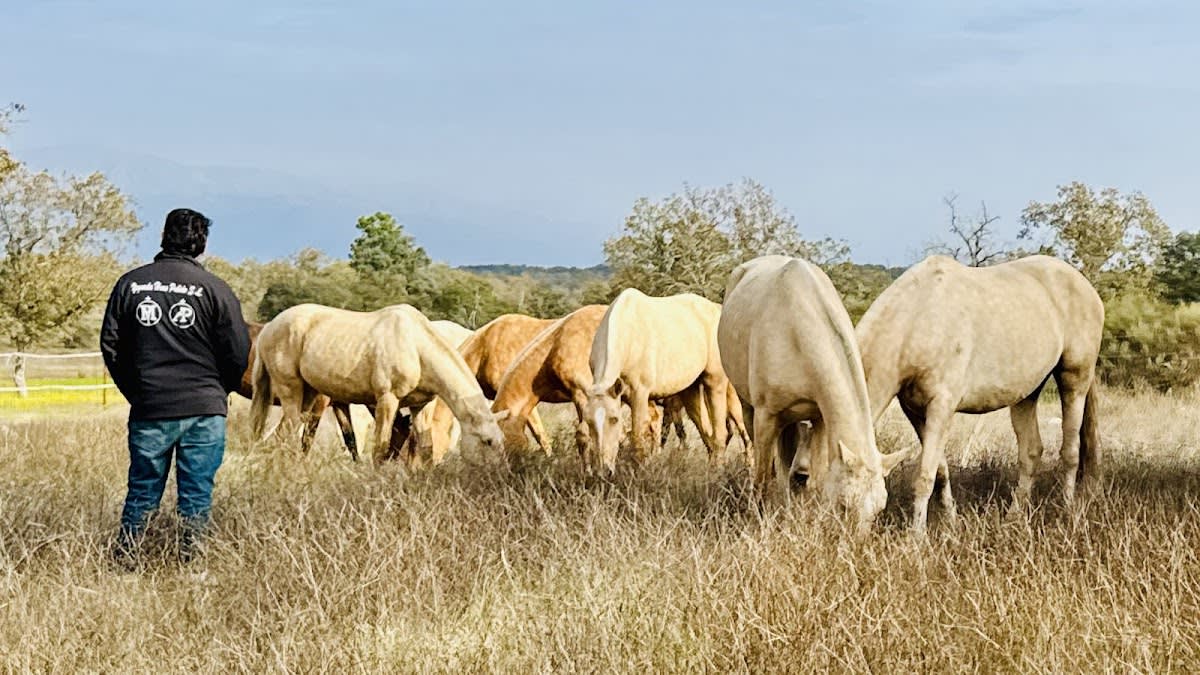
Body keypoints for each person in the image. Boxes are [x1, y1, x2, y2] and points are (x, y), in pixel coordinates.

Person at [100, 208, 250, 569]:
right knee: (196, 493)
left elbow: (111, 345)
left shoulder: (130, 284)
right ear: (201, 243)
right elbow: (239, 352)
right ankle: (192, 567)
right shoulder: (216, 289)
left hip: (151, 408)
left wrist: (138, 392)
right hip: (204, 409)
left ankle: (127, 565)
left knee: (142, 490)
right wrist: (220, 389)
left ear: (164, 236)